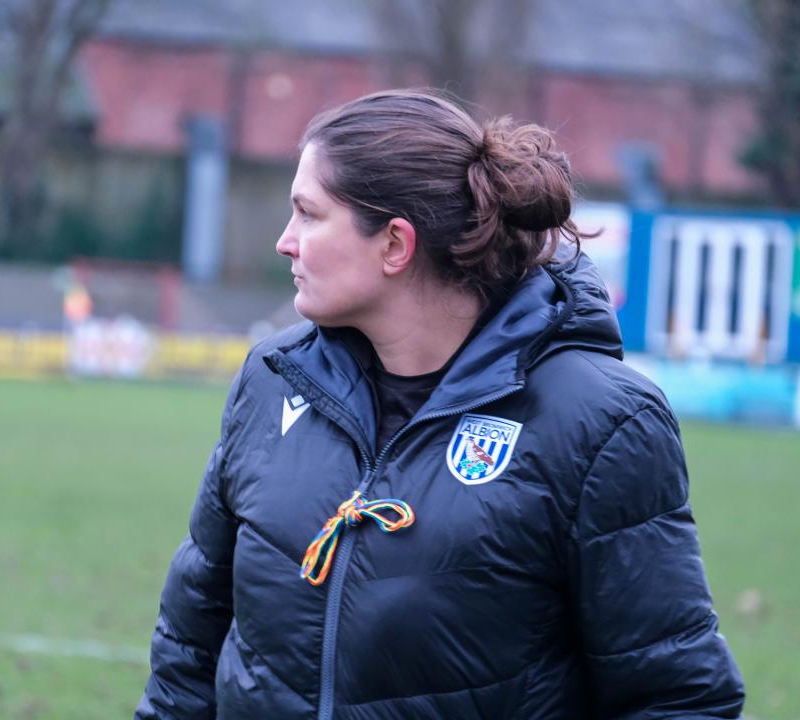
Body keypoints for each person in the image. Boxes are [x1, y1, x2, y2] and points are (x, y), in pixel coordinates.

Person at [135, 89, 744, 719]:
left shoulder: (601, 423)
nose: (285, 242)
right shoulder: (272, 378)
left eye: (308, 215)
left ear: (395, 245)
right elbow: (190, 646)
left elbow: (677, 698)